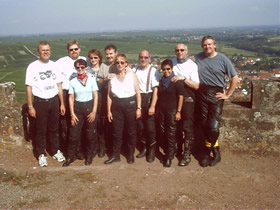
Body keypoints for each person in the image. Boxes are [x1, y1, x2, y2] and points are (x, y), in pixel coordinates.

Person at [195, 35, 238, 167]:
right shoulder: (197, 58)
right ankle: (213, 152)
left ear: (214, 45)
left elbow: (234, 77)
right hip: (201, 93)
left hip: (216, 94)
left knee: (213, 127)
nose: (207, 47)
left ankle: (209, 152)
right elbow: (184, 65)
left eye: (209, 44)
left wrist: (228, 94)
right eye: (205, 45)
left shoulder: (223, 59)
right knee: (203, 124)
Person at [25, 41, 66, 167]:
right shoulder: (32, 67)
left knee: (54, 129)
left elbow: (59, 85)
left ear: (50, 51)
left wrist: (62, 104)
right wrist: (30, 106)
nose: (46, 52)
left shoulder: (54, 66)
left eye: (47, 50)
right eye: (43, 50)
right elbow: (29, 88)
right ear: (38, 52)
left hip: (54, 101)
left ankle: (54, 150)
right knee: (41, 130)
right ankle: (41, 154)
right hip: (40, 102)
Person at [105, 54, 141, 164]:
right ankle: (116, 155)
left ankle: (130, 154)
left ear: (126, 63)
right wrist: (108, 111)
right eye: (117, 62)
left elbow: (138, 92)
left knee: (131, 132)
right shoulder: (112, 77)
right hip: (117, 107)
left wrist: (139, 108)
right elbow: (109, 96)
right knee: (117, 132)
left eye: (122, 62)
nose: (119, 64)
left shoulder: (132, 75)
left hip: (130, 105)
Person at [63, 59, 98, 166]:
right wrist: (72, 114)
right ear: (75, 68)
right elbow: (71, 98)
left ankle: (89, 156)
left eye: (82, 67)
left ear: (86, 68)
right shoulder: (73, 81)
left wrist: (94, 112)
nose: (80, 69)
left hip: (89, 108)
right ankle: (70, 157)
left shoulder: (92, 80)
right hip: (77, 109)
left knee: (90, 135)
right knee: (73, 135)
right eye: (78, 68)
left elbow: (96, 96)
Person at [55, 40, 86, 158]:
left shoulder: (84, 60)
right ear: (68, 51)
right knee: (66, 123)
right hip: (66, 93)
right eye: (71, 49)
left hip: (80, 94)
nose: (74, 51)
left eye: (76, 49)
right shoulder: (61, 62)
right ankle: (67, 150)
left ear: (79, 49)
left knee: (78, 123)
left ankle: (78, 150)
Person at [171, 43, 200, 166]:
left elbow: (197, 86)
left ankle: (187, 154)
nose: (179, 52)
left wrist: (183, 79)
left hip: (188, 98)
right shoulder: (172, 62)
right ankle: (177, 149)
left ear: (186, 51)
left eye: (182, 50)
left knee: (187, 126)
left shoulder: (192, 66)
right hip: (174, 98)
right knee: (175, 124)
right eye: (177, 50)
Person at [133, 50, 160, 162]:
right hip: (137, 100)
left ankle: (152, 149)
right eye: (141, 57)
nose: (143, 59)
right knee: (140, 127)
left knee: (150, 128)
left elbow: (156, 91)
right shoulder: (135, 70)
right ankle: (143, 147)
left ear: (149, 58)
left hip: (148, 99)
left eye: (145, 57)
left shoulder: (153, 71)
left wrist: (152, 106)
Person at [157, 59, 184, 167]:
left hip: (172, 110)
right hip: (162, 111)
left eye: (168, 69)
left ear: (172, 69)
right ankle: (170, 151)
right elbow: (159, 97)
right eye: (164, 69)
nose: (166, 71)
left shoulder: (176, 81)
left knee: (171, 133)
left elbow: (181, 97)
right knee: (163, 132)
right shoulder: (161, 81)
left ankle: (168, 156)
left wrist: (178, 111)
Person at [86, 49, 108, 158]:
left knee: (102, 123)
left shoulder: (103, 68)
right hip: (90, 99)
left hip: (102, 98)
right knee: (92, 124)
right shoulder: (86, 70)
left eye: (95, 57)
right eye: (91, 58)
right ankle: (93, 147)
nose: (93, 60)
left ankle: (102, 147)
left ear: (99, 58)